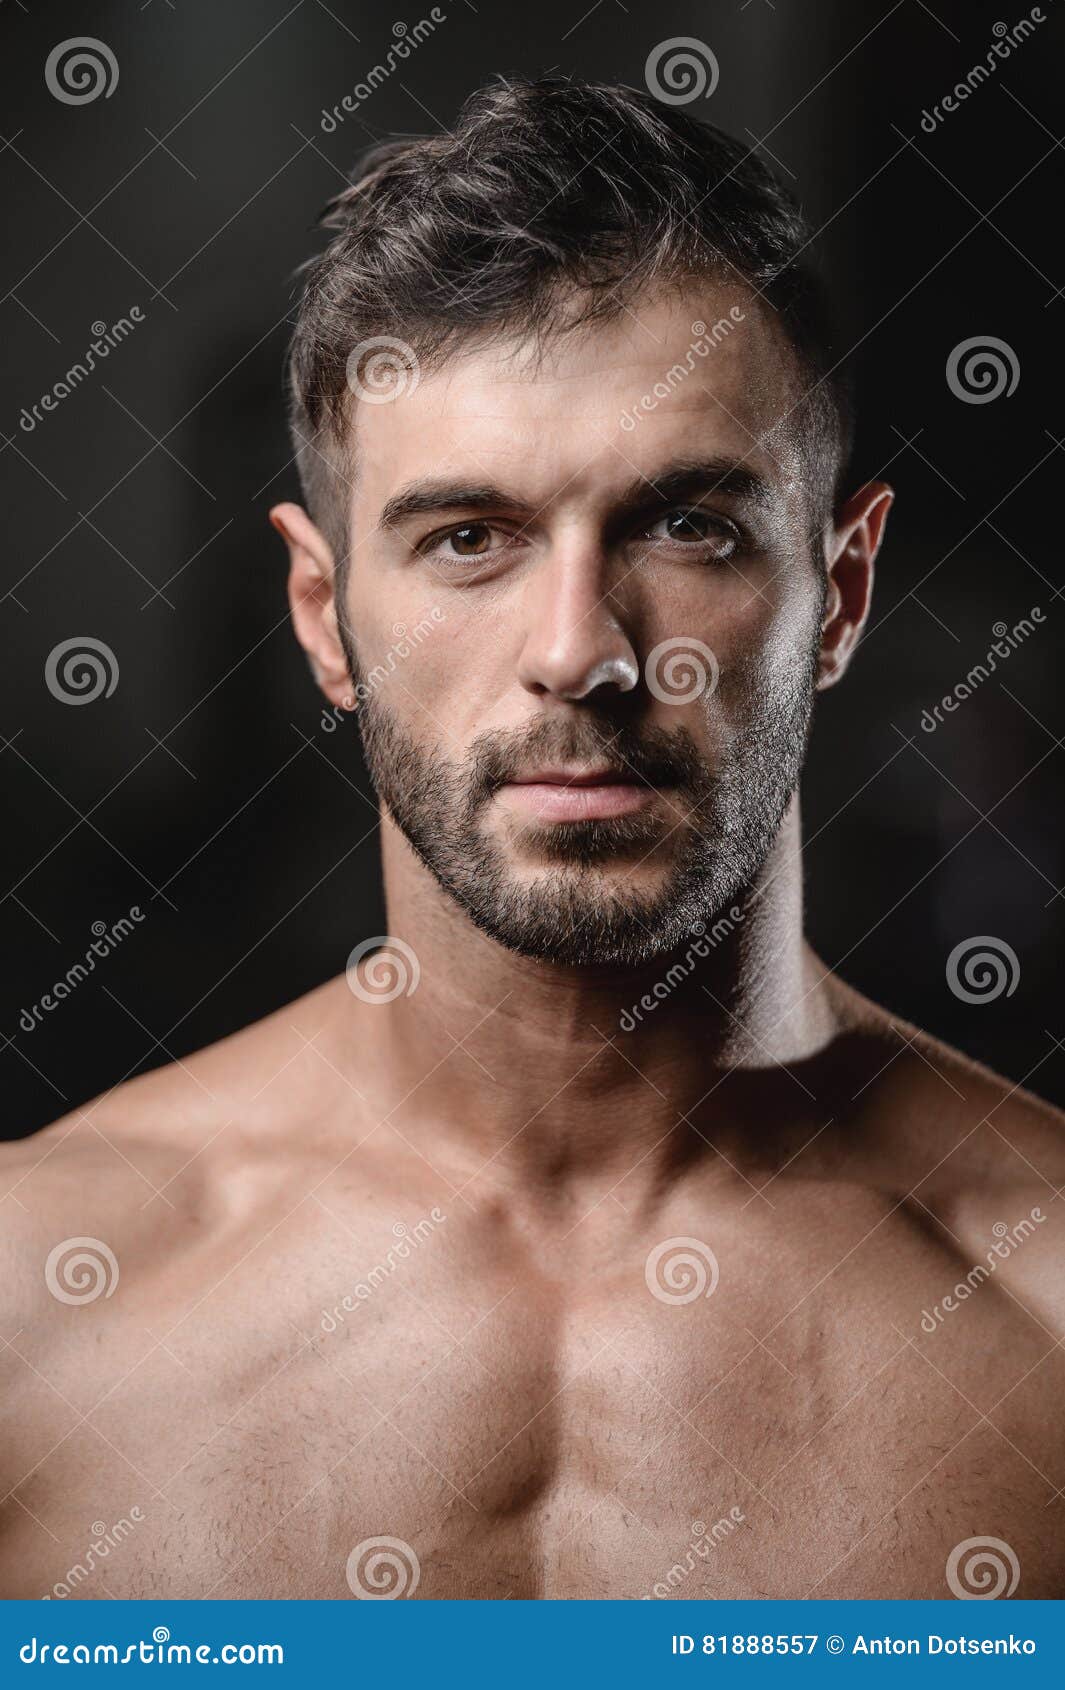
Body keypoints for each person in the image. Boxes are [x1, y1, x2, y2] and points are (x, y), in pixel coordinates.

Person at [2, 78, 1062, 1603]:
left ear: (838, 591)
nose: (579, 650)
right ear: (323, 613)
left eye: (686, 525)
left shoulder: (1041, 1303)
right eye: (467, 539)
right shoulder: (35, 1305)